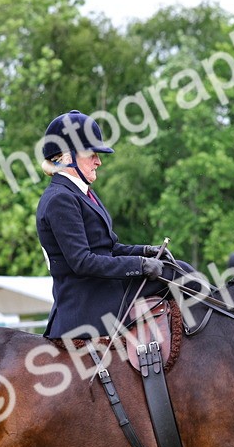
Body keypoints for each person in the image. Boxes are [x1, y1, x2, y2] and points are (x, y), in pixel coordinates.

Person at [36, 109, 195, 339]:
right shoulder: (60, 198)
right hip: (89, 303)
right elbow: (82, 262)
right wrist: (139, 265)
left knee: (181, 270)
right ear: (68, 156)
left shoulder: (83, 193)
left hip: (105, 289)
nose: (98, 161)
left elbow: (110, 248)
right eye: (91, 154)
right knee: (180, 277)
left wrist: (146, 252)